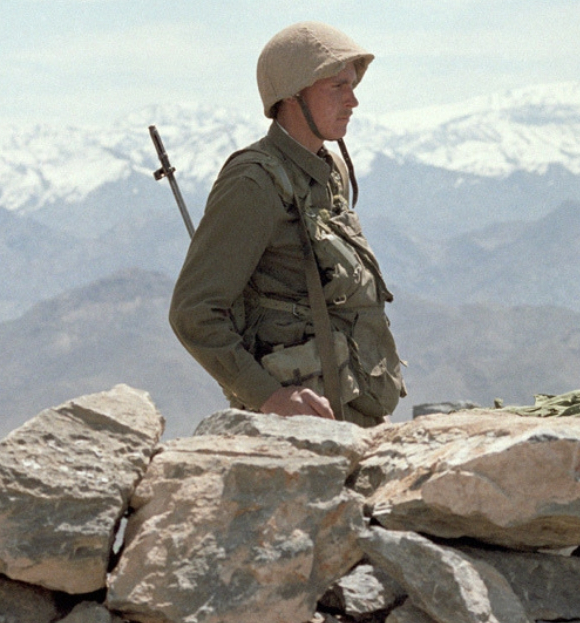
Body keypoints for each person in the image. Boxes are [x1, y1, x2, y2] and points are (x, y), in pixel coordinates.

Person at [169, 21, 404, 427]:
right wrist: (269, 397)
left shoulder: (330, 173)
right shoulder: (253, 183)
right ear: (294, 94)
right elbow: (194, 312)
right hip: (295, 429)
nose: (353, 101)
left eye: (353, 86)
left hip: (354, 414)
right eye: (337, 87)